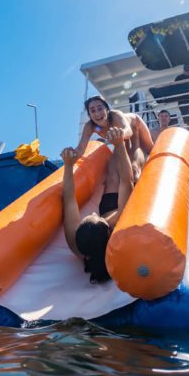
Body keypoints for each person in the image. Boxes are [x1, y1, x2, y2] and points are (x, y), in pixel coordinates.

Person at [61, 127, 134, 283]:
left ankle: (127, 137)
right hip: (123, 209)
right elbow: (126, 182)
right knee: (134, 165)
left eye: (90, 216)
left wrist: (68, 165)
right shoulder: (116, 226)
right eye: (96, 217)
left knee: (113, 174)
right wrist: (120, 144)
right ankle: (135, 136)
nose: (94, 213)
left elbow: (68, 199)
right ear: (107, 229)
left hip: (110, 210)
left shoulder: (75, 243)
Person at [76, 96, 153, 180]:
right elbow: (80, 149)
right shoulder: (92, 127)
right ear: (89, 115)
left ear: (107, 109)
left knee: (148, 149)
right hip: (120, 137)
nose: (97, 114)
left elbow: (128, 131)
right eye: (93, 111)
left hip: (135, 124)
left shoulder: (115, 115)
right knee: (124, 166)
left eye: (100, 108)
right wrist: (70, 155)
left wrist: (119, 134)